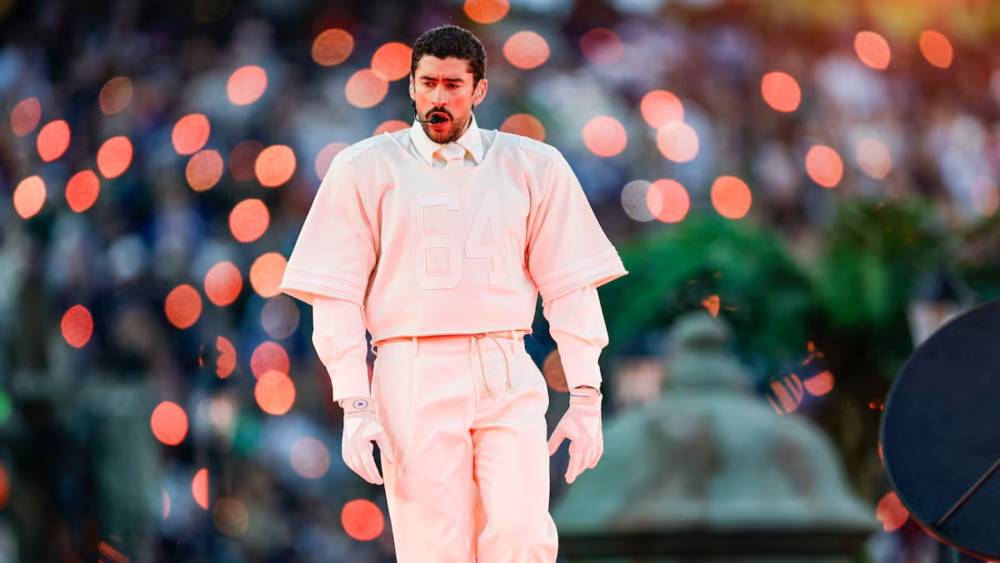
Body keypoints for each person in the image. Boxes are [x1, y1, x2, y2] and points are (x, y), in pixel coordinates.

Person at [279, 24, 628, 563]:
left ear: (479, 89)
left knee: (523, 535)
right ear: (411, 86)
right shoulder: (363, 168)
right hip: (411, 367)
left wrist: (586, 393)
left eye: (453, 85)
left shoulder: (533, 165)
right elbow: (336, 295)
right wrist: (353, 401)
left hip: (505, 360)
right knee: (434, 549)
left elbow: (570, 285)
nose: (438, 97)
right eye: (428, 84)